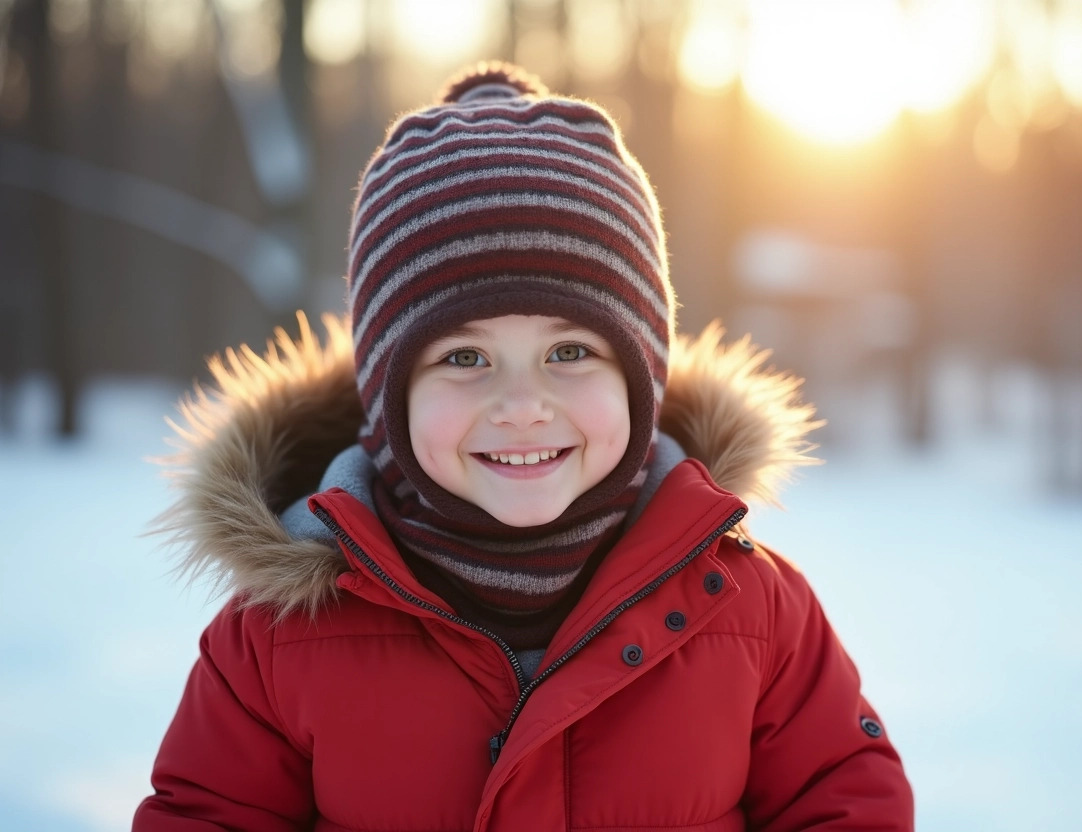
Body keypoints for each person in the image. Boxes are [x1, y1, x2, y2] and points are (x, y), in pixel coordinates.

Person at [134, 61, 914, 831]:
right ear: (383, 394)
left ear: (643, 376)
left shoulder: (753, 613)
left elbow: (843, 799)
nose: (521, 407)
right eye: (463, 358)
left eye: (569, 353)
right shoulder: (277, 637)